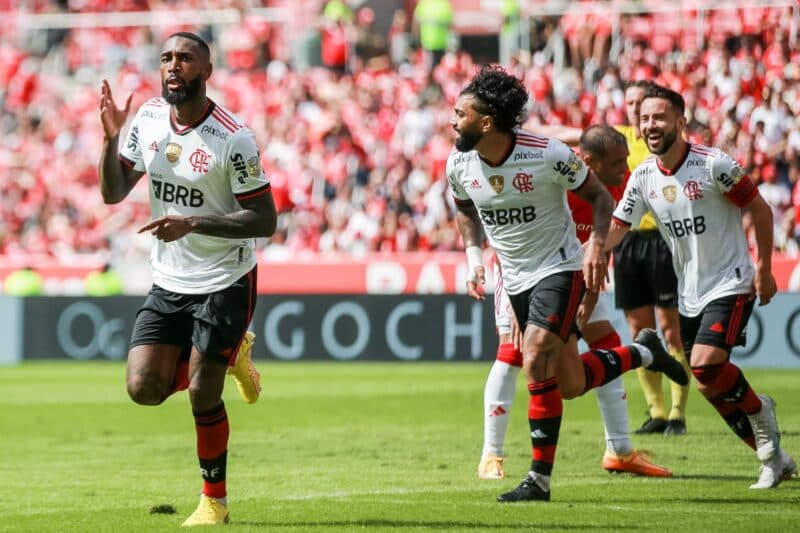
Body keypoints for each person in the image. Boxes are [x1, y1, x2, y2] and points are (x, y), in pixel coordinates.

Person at [447, 65, 687, 502]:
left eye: (459, 112)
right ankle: (644, 351)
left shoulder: (547, 153)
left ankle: (538, 479)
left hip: (558, 267)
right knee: (571, 383)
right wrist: (472, 256)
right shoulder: (459, 162)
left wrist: (597, 244)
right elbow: (463, 206)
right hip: (515, 276)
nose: (451, 119)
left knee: (533, 355)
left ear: (486, 123)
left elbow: (601, 196)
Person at [98, 32, 277, 526]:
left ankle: (213, 501)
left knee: (203, 392)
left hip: (225, 278)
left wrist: (193, 223)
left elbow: (265, 220)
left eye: (185, 58)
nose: (173, 66)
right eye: (167, 58)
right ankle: (228, 355)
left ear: (206, 70)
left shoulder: (232, 137)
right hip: (169, 280)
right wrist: (111, 140)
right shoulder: (150, 119)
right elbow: (114, 194)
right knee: (142, 387)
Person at [606, 84, 797, 489]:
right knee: (710, 386)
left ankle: (761, 412)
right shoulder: (642, 177)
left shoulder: (714, 164)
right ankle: (774, 458)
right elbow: (618, 227)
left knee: (705, 365)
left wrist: (763, 268)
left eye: (659, 117)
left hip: (730, 281)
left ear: (681, 120)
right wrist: (590, 252)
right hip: (689, 291)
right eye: (644, 118)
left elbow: (758, 208)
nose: (650, 124)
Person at [478, 124, 672, 481]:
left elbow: (605, 243)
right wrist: (524, 304)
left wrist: (591, 292)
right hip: (521, 267)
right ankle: (492, 455)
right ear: (587, 162)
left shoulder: (616, 184)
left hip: (573, 268)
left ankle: (620, 450)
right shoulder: (553, 179)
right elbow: (512, 236)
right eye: (616, 161)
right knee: (513, 352)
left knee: (604, 341)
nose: (625, 168)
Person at [614, 80, 691, 436]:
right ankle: (656, 410)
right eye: (629, 103)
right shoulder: (614, 139)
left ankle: (678, 412)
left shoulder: (662, 142)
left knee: (670, 331)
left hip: (662, 240)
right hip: (626, 241)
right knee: (638, 330)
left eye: (639, 104)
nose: (633, 109)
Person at [412, 0, 453, 71]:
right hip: (438, 44)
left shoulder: (424, 3)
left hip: (429, 44)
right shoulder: (444, 3)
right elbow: (451, 25)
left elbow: (415, 22)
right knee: (439, 70)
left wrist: (415, 39)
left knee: (429, 70)